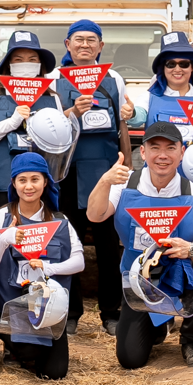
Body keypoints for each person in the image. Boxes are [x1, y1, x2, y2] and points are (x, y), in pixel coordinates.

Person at [89, 119, 193, 369]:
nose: (162, 155)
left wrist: (188, 250)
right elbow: (95, 215)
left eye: (171, 148)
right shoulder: (124, 184)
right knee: (130, 359)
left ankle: (191, 340)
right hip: (138, 279)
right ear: (143, 153)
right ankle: (158, 325)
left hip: (179, 273)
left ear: (182, 153)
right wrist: (105, 181)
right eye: (155, 148)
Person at [0, 151, 83, 380]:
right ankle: (14, 347)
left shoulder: (59, 221)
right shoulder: (0, 217)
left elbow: (79, 262)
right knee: (30, 351)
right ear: (13, 184)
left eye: (35, 179)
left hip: (49, 311)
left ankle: (26, 349)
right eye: (22, 180)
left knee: (55, 373)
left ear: (45, 182)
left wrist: (48, 269)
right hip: (10, 307)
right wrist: (3, 239)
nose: (29, 186)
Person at [56, 20, 128, 333]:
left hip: (106, 171)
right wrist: (72, 112)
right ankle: (69, 314)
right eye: (78, 40)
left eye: (91, 40)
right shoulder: (54, 80)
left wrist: (127, 167)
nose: (85, 45)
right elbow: (46, 125)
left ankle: (111, 313)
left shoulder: (113, 78)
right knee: (68, 245)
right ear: (67, 44)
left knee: (109, 247)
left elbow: (124, 122)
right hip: (68, 172)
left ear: (100, 46)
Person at [0, 30, 66, 211]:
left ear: (40, 65)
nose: (25, 64)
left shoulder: (52, 98)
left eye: (32, 60)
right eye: (18, 59)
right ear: (9, 65)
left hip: (42, 188)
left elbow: (62, 145)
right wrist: (12, 122)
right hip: (3, 186)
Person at [130, 32, 193, 157]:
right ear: (163, 68)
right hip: (159, 172)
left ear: (192, 67)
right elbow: (137, 119)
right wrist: (131, 113)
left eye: (184, 64)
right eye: (171, 64)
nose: (177, 69)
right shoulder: (148, 98)